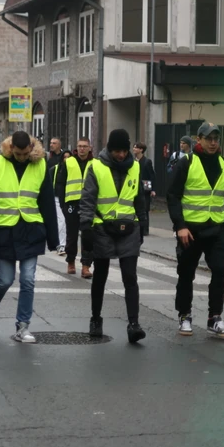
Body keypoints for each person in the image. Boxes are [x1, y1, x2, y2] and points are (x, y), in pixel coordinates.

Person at [0, 131, 58, 344]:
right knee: (5, 279)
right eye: (18, 153)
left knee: (28, 279)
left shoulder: (41, 164)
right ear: (11, 148)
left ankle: (22, 327)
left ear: (31, 149)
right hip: (4, 231)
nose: (22, 157)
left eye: (25, 154)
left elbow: (47, 202)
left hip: (31, 231)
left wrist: (54, 238)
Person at [167, 122, 224, 338]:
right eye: (209, 139)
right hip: (191, 231)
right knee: (186, 274)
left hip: (215, 229)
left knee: (219, 271)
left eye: (216, 139)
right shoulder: (187, 162)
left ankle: (214, 317)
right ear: (199, 139)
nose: (213, 143)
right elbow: (173, 195)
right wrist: (181, 226)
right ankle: (184, 315)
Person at [81, 129, 147, 343]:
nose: (121, 155)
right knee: (100, 276)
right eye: (117, 151)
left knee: (130, 277)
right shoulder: (96, 166)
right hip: (102, 228)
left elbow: (138, 198)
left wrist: (143, 224)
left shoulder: (135, 166)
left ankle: (134, 324)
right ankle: (95, 319)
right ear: (110, 149)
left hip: (129, 228)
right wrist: (86, 227)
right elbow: (88, 198)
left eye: (124, 150)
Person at [56, 137, 95, 278]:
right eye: (79, 146)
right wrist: (62, 203)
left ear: (90, 147)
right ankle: (71, 262)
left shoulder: (95, 163)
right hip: (72, 203)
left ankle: (86, 266)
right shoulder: (69, 162)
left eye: (85, 146)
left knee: (88, 236)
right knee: (71, 236)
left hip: (89, 204)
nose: (82, 149)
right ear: (76, 148)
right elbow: (60, 184)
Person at [48, 137, 67, 255]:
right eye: (50, 143)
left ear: (59, 145)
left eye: (54, 143)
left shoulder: (64, 157)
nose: (51, 145)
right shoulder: (48, 158)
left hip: (63, 194)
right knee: (58, 219)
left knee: (62, 220)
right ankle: (58, 242)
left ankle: (61, 244)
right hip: (53, 193)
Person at [133, 142, 156, 237]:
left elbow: (152, 176)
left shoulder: (147, 162)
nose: (134, 149)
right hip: (135, 188)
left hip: (145, 188)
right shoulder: (133, 161)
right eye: (134, 147)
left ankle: (145, 229)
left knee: (145, 208)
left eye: (136, 147)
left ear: (141, 150)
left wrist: (153, 190)